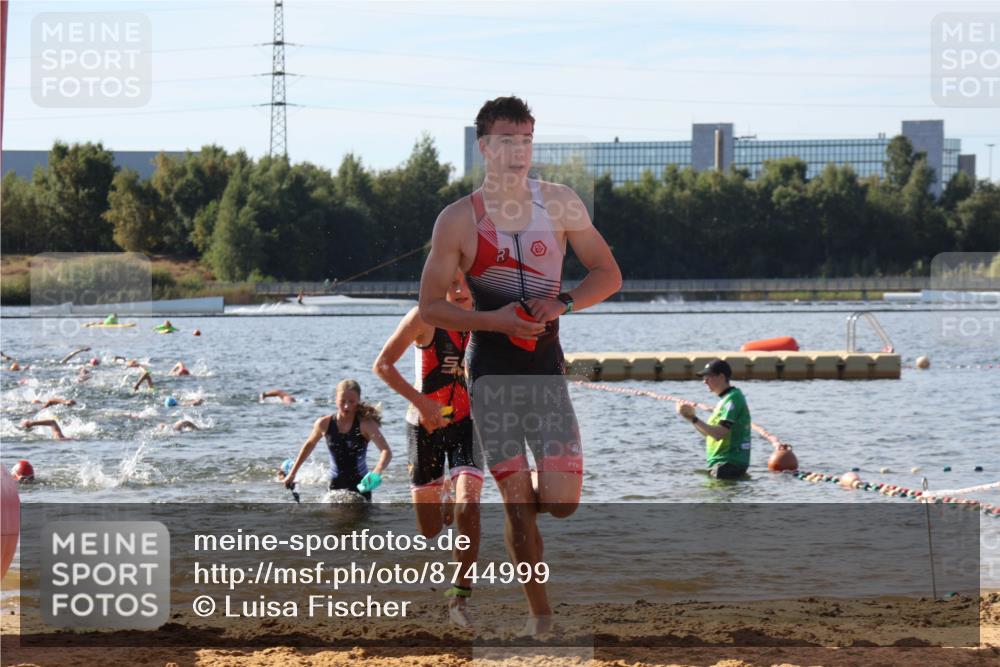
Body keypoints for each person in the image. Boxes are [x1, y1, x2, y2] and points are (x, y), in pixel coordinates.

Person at [418, 96, 622, 635]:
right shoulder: (458, 219)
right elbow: (431, 307)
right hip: (490, 372)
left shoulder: (561, 203)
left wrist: (566, 302)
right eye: (506, 141)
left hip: (546, 368)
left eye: (527, 140)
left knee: (561, 503)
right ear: (484, 146)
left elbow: (608, 272)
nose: (518, 151)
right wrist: (498, 321)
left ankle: (523, 509)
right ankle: (541, 617)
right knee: (514, 503)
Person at [374, 269, 483, 627]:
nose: (460, 290)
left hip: (469, 425)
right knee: (430, 528)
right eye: (450, 282)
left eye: (466, 282)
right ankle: (446, 494)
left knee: (469, 507)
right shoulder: (423, 317)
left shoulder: (485, 316)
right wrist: (423, 404)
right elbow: (383, 365)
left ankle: (459, 599)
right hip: (424, 426)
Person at [283, 380, 392, 501]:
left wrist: (377, 471)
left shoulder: (366, 425)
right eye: (342, 401)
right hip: (334, 486)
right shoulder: (324, 423)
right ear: (335, 399)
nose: (346, 406)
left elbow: (385, 451)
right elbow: (309, 445)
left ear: (358, 401)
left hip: (361, 486)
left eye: (352, 402)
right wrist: (292, 473)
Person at [677, 359, 752, 480]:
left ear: (721, 377)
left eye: (708, 376)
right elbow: (709, 434)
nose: (704, 381)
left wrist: (694, 418)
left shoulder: (733, 399)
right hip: (722, 463)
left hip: (728, 463)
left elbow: (719, 434)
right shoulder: (724, 400)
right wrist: (690, 418)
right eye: (703, 377)